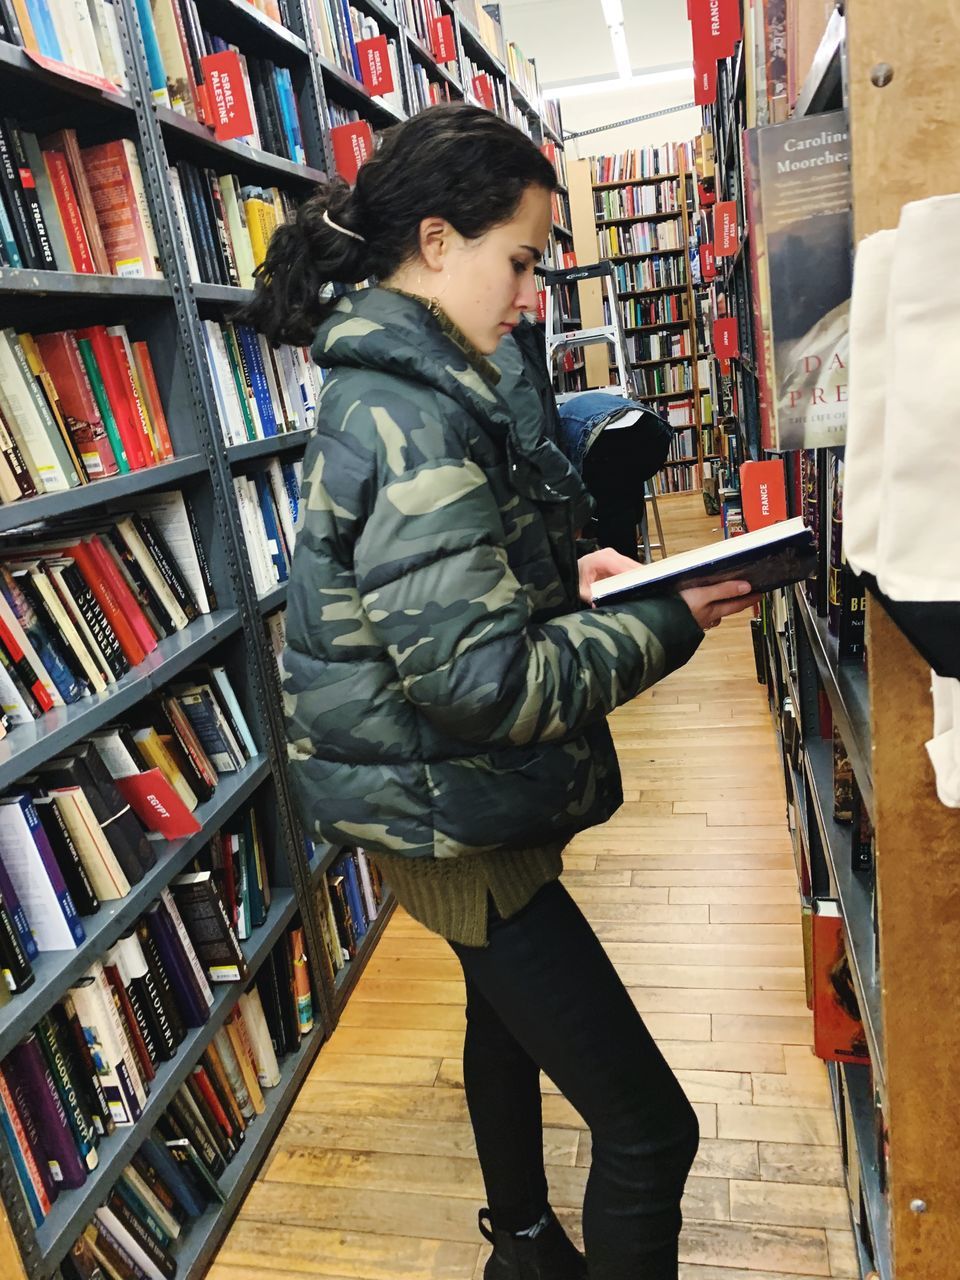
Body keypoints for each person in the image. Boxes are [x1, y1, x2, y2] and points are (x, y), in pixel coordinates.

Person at [238, 104, 758, 1280]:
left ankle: (521, 1245)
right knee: (650, 1129)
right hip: (453, 810)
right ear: (436, 241)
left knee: (500, 1015)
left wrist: (555, 571)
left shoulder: (408, 381)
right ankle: (523, 1243)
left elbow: (429, 587)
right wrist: (665, 620)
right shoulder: (414, 409)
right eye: (519, 258)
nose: (530, 292)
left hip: (436, 794)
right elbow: (484, 683)